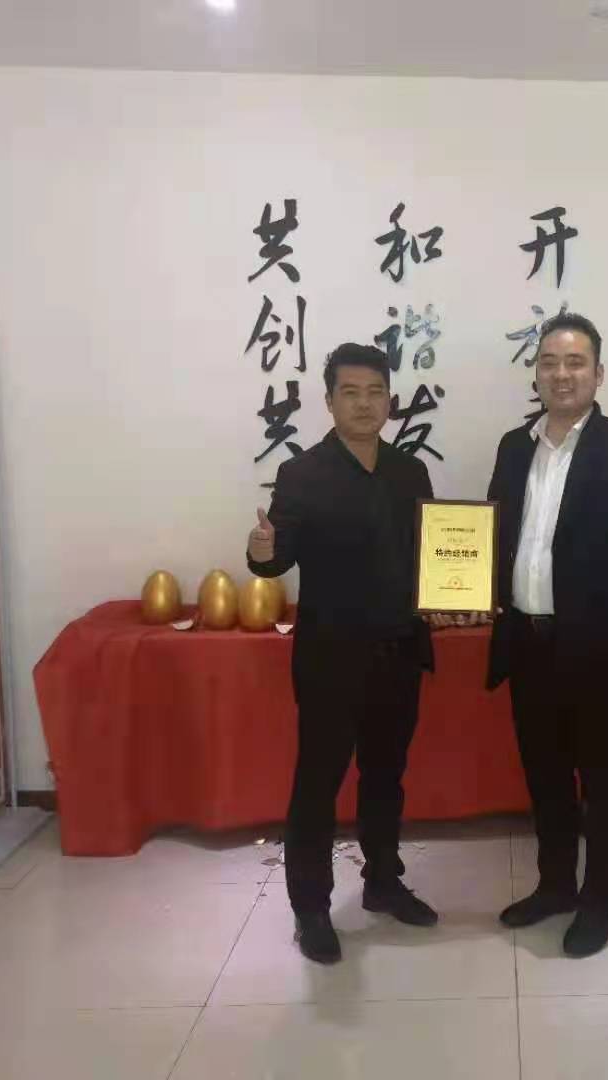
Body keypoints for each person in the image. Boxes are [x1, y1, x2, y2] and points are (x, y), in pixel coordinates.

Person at [485, 312, 608, 958]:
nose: (561, 374)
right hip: (527, 642)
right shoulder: (514, 447)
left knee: (600, 782)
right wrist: (463, 593)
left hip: (593, 648)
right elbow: (496, 536)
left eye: (575, 363)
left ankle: (598, 903)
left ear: (598, 373)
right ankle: (555, 886)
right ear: (536, 372)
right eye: (549, 362)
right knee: (544, 777)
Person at [248, 342, 440, 965]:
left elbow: (432, 557)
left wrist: (454, 594)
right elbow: (276, 558)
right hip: (331, 658)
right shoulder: (303, 474)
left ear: (390, 400)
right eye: (350, 393)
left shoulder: (411, 472)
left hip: (399, 651)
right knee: (318, 782)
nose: (364, 404)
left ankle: (383, 881)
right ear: (329, 401)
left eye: (375, 392)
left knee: (386, 776)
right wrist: (261, 551)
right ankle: (311, 908)